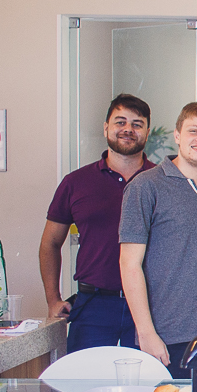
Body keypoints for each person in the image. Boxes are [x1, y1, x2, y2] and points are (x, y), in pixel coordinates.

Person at [119, 100, 197, 377]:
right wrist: (146, 333)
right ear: (178, 135)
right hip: (168, 337)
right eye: (194, 131)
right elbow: (129, 264)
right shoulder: (145, 186)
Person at [40, 94, 154, 353]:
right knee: (85, 377)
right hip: (93, 306)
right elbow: (50, 243)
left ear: (147, 132)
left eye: (137, 124)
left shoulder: (161, 182)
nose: (128, 129)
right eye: (120, 122)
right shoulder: (76, 182)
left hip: (150, 305)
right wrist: (52, 299)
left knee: (148, 377)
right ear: (106, 128)